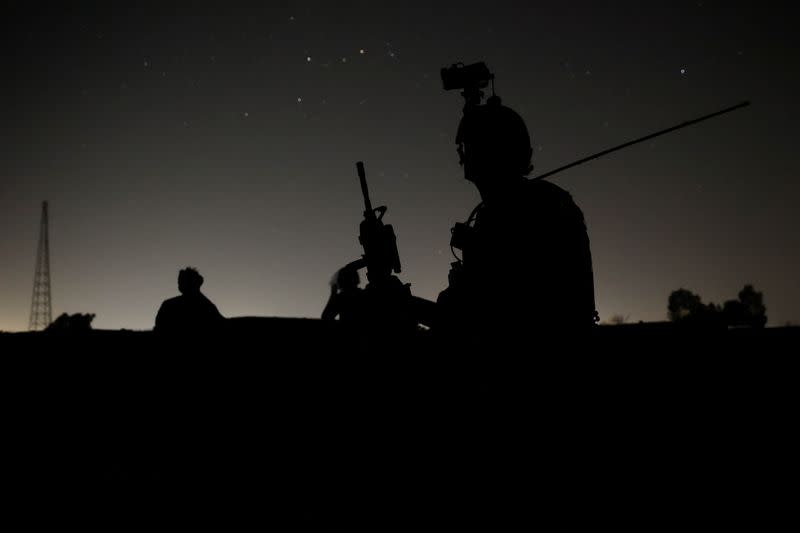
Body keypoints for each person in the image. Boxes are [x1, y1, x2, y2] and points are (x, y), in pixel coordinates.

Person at [435, 94, 598, 336]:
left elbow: (512, 299)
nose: (464, 156)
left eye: (471, 146)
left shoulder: (541, 206)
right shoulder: (495, 212)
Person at [154, 267, 225, 333]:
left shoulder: (208, 307)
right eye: (179, 282)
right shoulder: (168, 305)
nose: (179, 285)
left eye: (182, 281)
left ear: (196, 283)